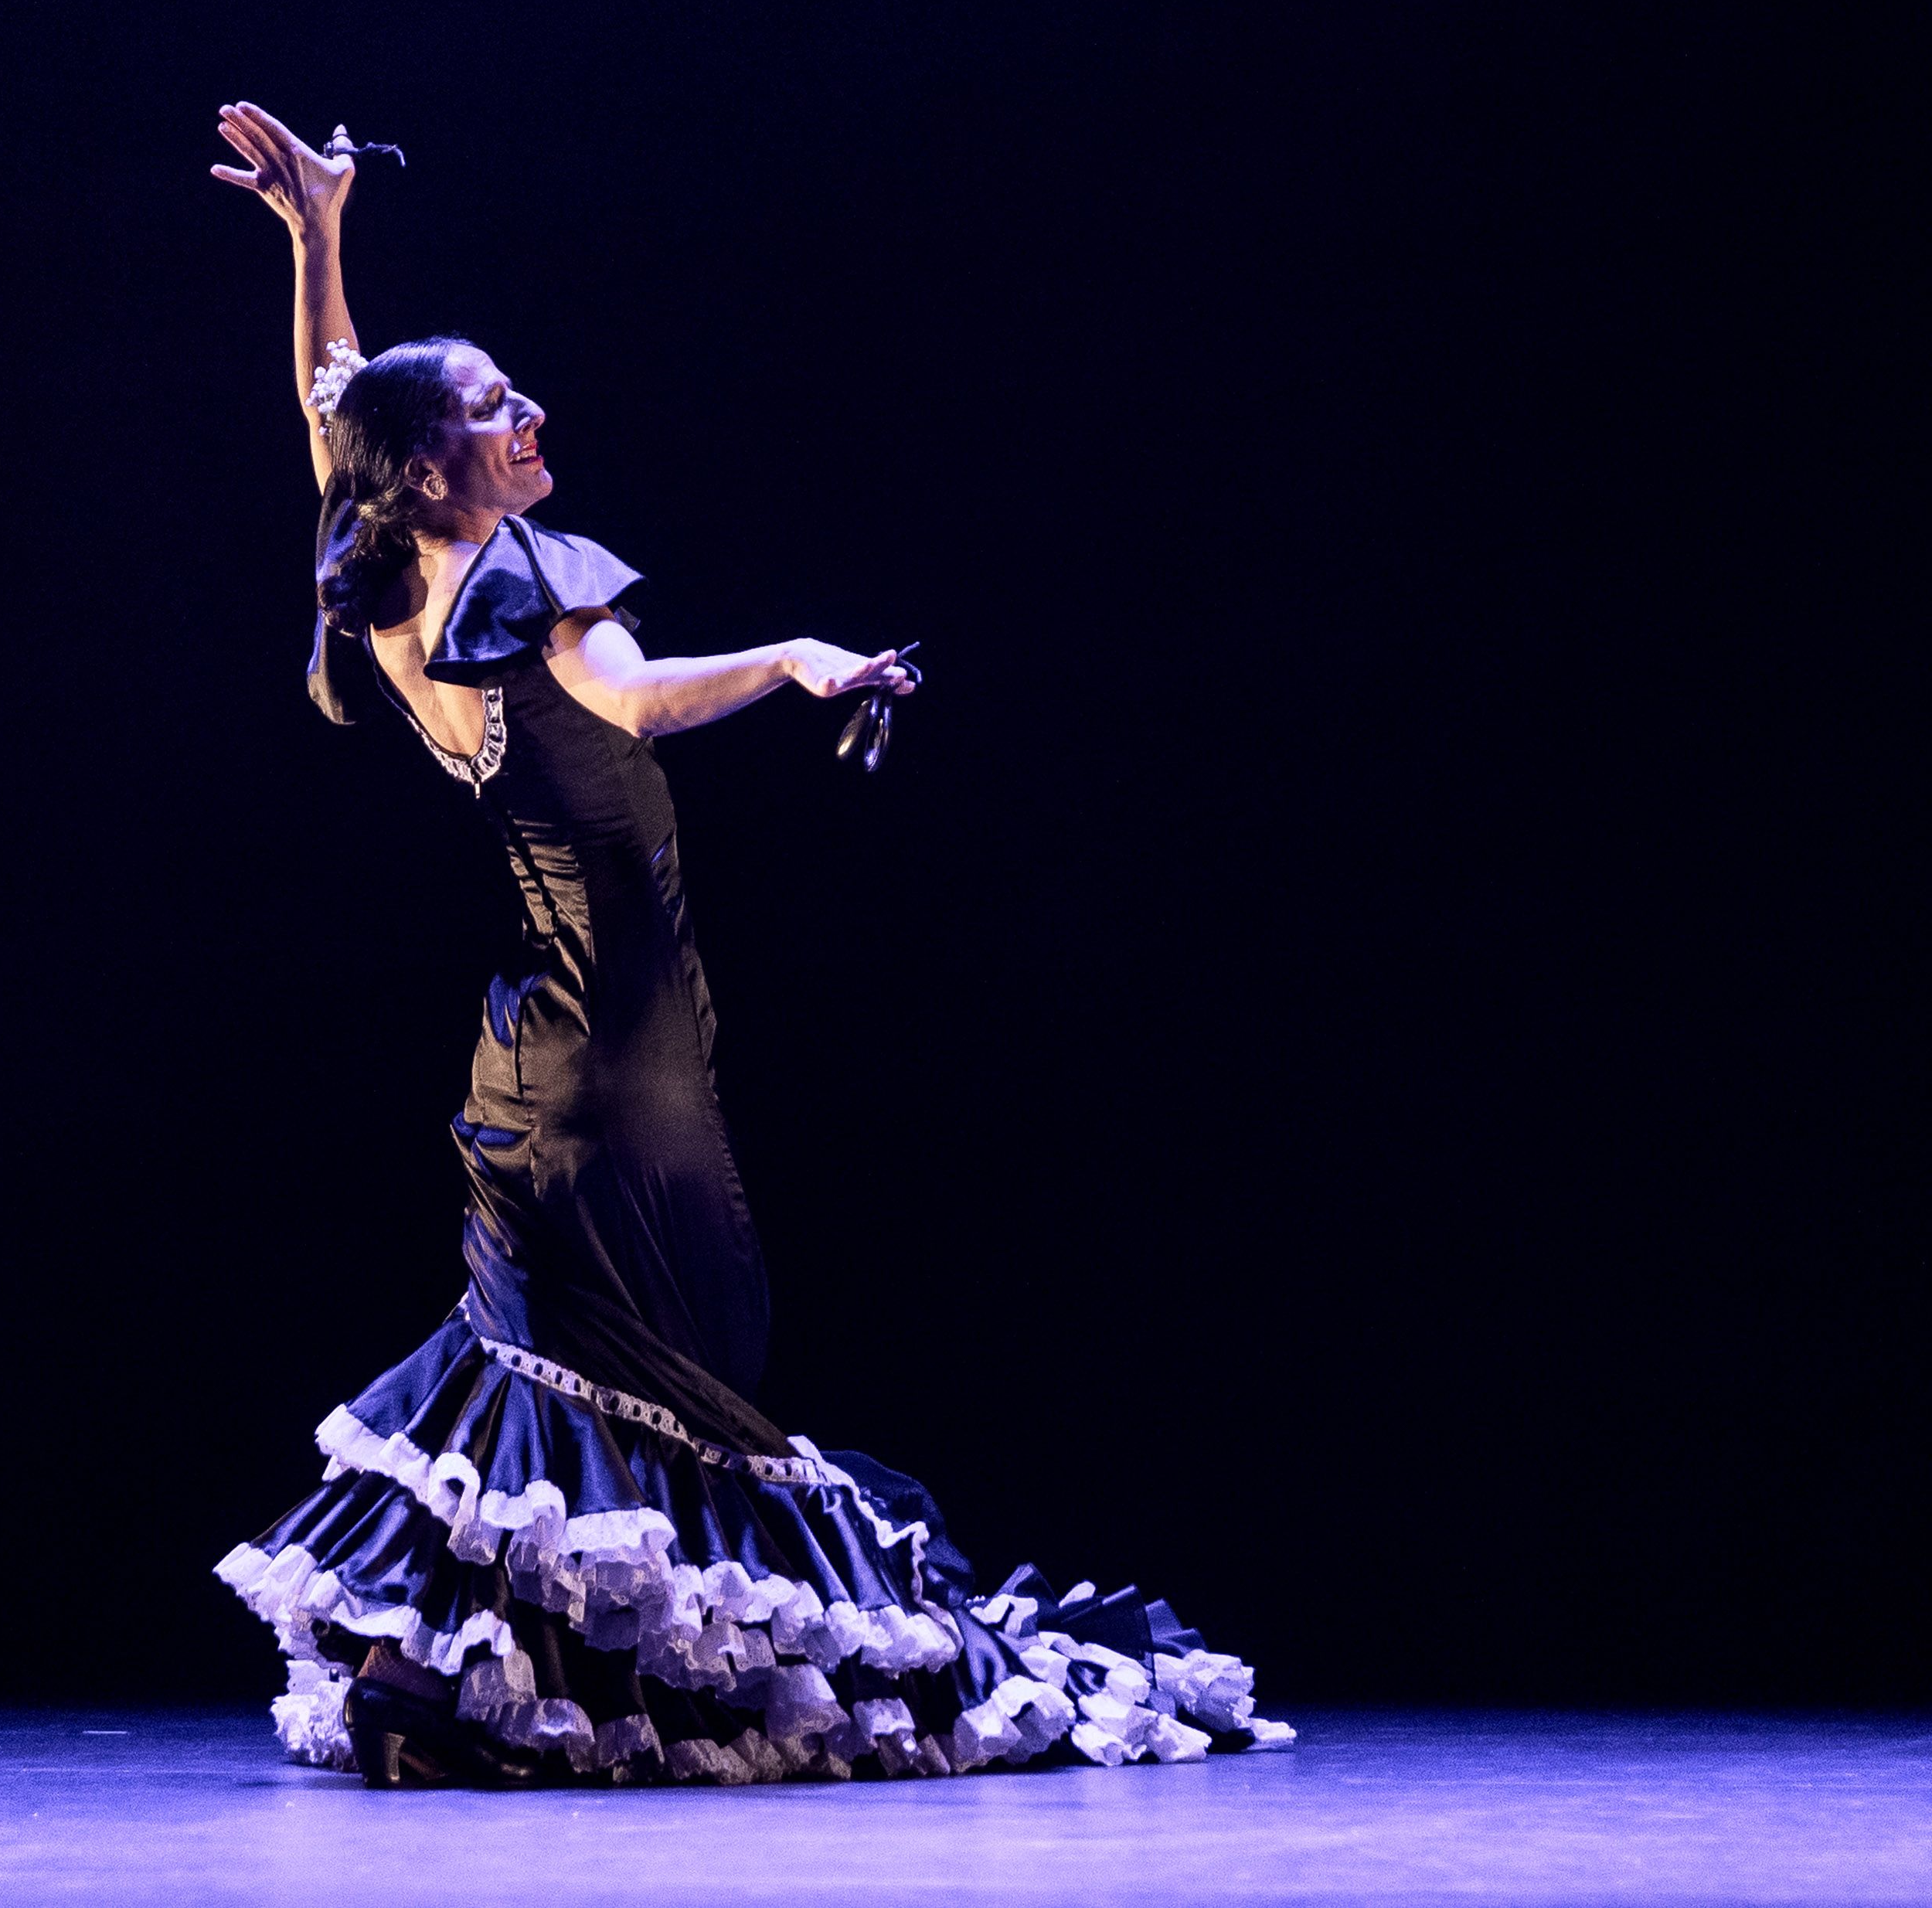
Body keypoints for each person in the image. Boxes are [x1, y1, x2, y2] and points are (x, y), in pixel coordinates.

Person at [204, 100, 1290, 1787]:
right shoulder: (521, 583)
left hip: (538, 1031)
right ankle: (670, 1681)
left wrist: (316, 234)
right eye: (497, 405)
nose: (531, 412)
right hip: (618, 1043)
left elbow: (331, 399)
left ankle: (553, 1676)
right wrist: (791, 657)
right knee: (674, 1364)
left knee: (581, 1361)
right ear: (438, 467)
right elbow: (629, 693)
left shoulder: (397, 575)